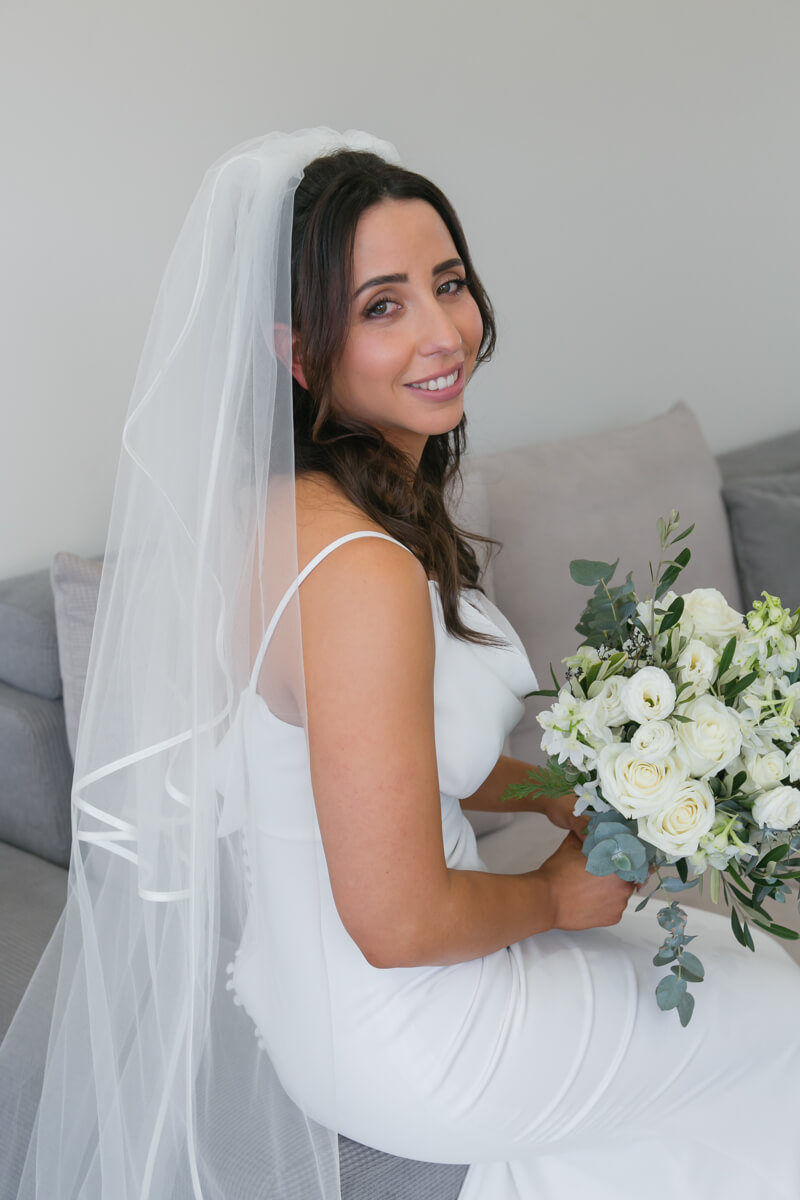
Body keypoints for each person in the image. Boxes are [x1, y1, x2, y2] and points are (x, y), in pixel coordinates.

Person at [2, 128, 799, 1200]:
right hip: (415, 1022)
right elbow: (399, 922)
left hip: (311, 992)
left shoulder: (281, 512)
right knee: (781, 1022)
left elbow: (379, 762)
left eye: (448, 284)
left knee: (720, 970)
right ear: (299, 355)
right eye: (382, 306)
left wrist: (555, 792)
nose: (441, 333)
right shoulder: (358, 571)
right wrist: (556, 896)